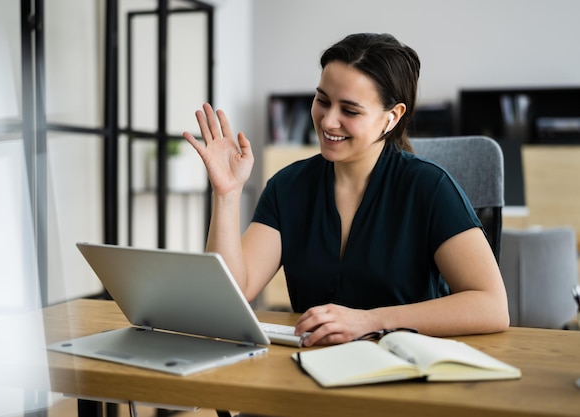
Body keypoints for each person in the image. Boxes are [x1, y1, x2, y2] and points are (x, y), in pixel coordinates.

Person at [183, 33, 509, 347]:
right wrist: (226, 196)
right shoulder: (288, 187)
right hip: (306, 374)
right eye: (322, 100)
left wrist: (369, 322)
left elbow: (491, 306)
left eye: (349, 110)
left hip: (404, 379)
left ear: (391, 118)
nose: (327, 121)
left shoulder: (430, 189)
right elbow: (232, 295)